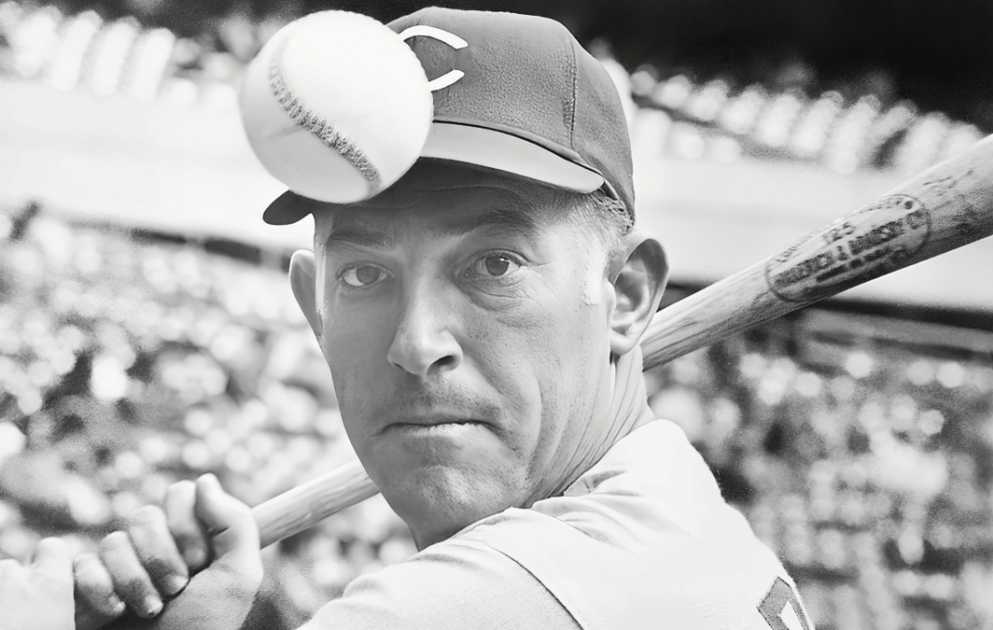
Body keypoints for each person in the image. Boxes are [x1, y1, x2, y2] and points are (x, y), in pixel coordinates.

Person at [1, 7, 813, 630]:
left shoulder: (474, 603)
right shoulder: (692, 522)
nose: (417, 344)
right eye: (363, 274)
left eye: (493, 264)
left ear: (629, 293)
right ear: (311, 310)